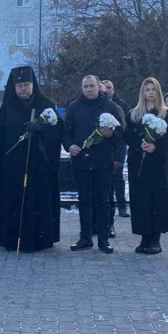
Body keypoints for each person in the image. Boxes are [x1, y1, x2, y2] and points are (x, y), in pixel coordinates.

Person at [0, 66, 62, 252]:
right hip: (13, 166)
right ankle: (13, 237)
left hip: (38, 164)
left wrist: (42, 129)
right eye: (20, 85)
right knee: (14, 202)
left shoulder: (45, 104)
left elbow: (58, 131)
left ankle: (39, 238)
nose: (23, 89)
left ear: (33, 85)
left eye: (27, 85)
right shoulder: (7, 107)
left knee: (38, 201)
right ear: (14, 87)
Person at [63, 75, 123, 253]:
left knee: (103, 202)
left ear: (99, 87)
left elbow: (121, 135)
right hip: (81, 162)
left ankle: (103, 240)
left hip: (102, 163)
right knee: (84, 201)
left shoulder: (110, 107)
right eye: (85, 86)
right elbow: (66, 132)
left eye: (91, 86)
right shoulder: (74, 107)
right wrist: (69, 146)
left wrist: (110, 135)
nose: (88, 89)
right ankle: (85, 238)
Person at [124, 78, 168, 254]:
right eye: (147, 89)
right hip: (138, 163)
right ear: (142, 92)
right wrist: (139, 142)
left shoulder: (167, 114)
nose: (150, 93)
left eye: (153, 89)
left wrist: (156, 145)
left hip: (157, 163)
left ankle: (155, 238)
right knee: (140, 199)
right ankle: (144, 236)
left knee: (157, 199)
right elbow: (126, 136)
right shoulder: (133, 115)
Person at [101, 79, 129, 226]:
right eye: (104, 88)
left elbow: (122, 133)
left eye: (109, 88)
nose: (107, 90)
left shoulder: (120, 106)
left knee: (117, 181)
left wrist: (120, 156)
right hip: (101, 154)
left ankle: (122, 207)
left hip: (115, 152)